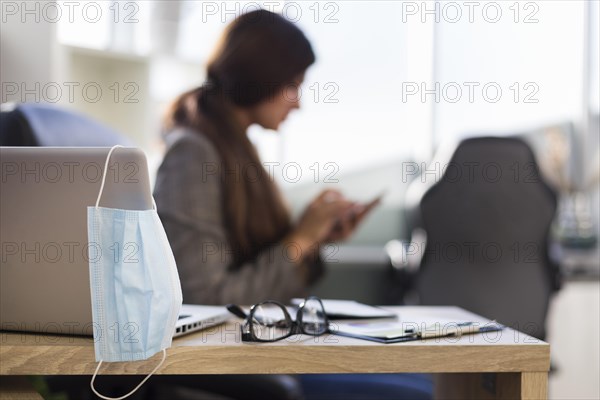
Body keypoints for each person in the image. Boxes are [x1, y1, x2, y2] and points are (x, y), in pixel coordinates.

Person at [154, 9, 432, 400]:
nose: (297, 103)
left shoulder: (233, 149)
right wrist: (300, 238)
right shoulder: (193, 155)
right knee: (415, 391)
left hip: (259, 349)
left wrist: (315, 239)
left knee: (420, 381)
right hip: (232, 363)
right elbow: (207, 298)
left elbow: (256, 280)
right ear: (259, 77)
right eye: (292, 85)